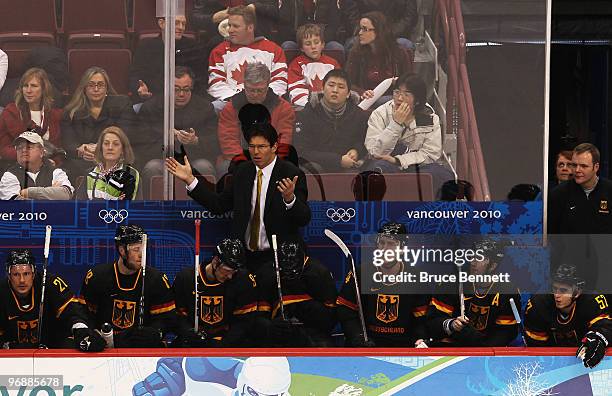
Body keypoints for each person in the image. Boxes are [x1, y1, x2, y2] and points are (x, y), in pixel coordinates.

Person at [167, 122, 310, 309]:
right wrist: (191, 180)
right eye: (252, 147)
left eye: (261, 147)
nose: (256, 152)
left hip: (275, 260)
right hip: (244, 259)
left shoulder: (291, 173)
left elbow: (304, 218)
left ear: (274, 147)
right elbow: (219, 205)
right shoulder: (243, 172)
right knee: (243, 312)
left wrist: (290, 199)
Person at [79, 224, 176, 347]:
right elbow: (84, 313)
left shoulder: (157, 279)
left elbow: (167, 318)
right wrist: (91, 333)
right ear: (122, 251)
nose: (142, 255)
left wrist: (156, 332)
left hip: (141, 348)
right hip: (104, 346)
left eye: (144, 249)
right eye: (136, 250)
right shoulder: (96, 276)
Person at [337, 222, 430, 347]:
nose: (385, 249)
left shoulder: (417, 277)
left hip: (403, 347)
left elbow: (421, 319)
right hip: (367, 344)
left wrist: (420, 339)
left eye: (391, 244)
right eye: (382, 243)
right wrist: (357, 337)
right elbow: (345, 311)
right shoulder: (360, 272)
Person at [364, 73, 452, 196]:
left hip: (415, 165)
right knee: (377, 170)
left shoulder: (429, 118)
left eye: (406, 94)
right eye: (397, 92)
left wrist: (399, 160)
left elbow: (431, 154)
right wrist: (396, 124)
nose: (399, 98)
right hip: (384, 163)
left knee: (442, 175)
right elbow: (375, 152)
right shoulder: (380, 114)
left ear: (417, 100)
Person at [135, 66, 218, 197]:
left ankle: (202, 213)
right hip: (161, 159)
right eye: (176, 89)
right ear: (167, 87)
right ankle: (153, 212)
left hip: (193, 159)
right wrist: (166, 138)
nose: (181, 94)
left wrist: (195, 141)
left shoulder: (204, 108)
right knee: (151, 167)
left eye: (186, 89)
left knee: (204, 167)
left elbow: (215, 144)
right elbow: (141, 146)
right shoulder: (150, 108)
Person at [0, 249, 105, 352]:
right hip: (12, 351)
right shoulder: (2, 291)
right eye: (16, 274)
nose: (22, 280)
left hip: (52, 346)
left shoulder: (51, 283)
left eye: (26, 274)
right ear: (8, 275)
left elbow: (72, 311)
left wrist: (80, 330)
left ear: (34, 273)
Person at [426, 239, 521, 347]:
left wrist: (479, 345)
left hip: (486, 351)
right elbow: (433, 322)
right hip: (453, 346)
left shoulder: (507, 291)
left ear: (493, 266)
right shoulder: (452, 283)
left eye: (480, 258)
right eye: (473, 257)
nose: (473, 262)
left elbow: (505, 333)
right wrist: (452, 325)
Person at [173, 238, 258, 347]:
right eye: (227, 271)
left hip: (229, 341)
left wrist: (223, 344)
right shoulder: (186, 278)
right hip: (193, 342)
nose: (230, 276)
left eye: (234, 272)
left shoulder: (243, 279)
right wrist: (188, 333)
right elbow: (176, 316)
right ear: (215, 261)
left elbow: (245, 322)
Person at [524, 263, 611, 368]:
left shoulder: (592, 301)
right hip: (551, 364)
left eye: (563, 290)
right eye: (555, 288)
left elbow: (605, 326)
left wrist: (598, 338)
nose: (557, 295)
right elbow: (536, 347)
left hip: (583, 362)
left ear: (577, 292)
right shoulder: (539, 303)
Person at [217, 62, 295, 175]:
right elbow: (228, 141)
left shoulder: (283, 108)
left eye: (260, 90)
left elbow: (283, 141)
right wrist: (246, 164)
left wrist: (268, 162)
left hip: (272, 159)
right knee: (226, 168)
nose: (254, 94)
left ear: (268, 85)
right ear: (244, 84)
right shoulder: (231, 108)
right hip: (239, 159)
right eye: (250, 90)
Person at [257, 241, 337, 347]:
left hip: (313, 331)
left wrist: (309, 310)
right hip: (278, 333)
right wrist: (270, 326)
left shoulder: (320, 273)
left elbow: (332, 318)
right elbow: (256, 318)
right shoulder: (265, 274)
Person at [207, 5, 287, 108]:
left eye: (235, 26)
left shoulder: (274, 50)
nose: (230, 30)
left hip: (266, 104)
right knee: (214, 107)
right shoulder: (219, 51)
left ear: (250, 27)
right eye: (229, 25)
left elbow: (279, 82)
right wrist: (238, 101)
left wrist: (261, 100)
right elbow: (216, 84)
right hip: (231, 104)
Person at [61, 67, 133, 180]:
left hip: (115, 158)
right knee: (69, 168)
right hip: (83, 161)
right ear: (84, 88)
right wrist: (80, 150)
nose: (96, 89)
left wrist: (100, 148)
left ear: (107, 88)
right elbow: (68, 142)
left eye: (100, 85)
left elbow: (127, 134)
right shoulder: (71, 112)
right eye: (91, 85)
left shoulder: (122, 104)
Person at [294, 69, 369, 172]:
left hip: (349, 166)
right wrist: (337, 160)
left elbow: (365, 142)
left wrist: (356, 151)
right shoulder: (307, 114)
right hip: (318, 165)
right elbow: (301, 151)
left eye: (341, 87)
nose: (335, 90)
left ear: (348, 94)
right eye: (331, 85)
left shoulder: (358, 115)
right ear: (322, 88)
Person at [129, 4, 198, 103]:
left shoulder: (192, 47)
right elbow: (135, 75)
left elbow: (199, 79)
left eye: (183, 24)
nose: (181, 27)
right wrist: (139, 89)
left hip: (185, 102)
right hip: (152, 101)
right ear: (161, 23)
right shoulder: (146, 46)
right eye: (176, 23)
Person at [345, 12, 413, 104]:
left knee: (382, 101)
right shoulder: (356, 53)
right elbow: (348, 82)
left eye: (365, 29)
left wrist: (397, 84)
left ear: (378, 31)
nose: (360, 33)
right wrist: (362, 92)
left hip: (394, 101)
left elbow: (409, 82)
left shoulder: (399, 53)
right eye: (360, 29)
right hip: (366, 101)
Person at [0, 67, 63, 161]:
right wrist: (30, 158)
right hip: (17, 165)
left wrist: (54, 162)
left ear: (44, 89)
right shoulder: (11, 112)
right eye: (25, 86)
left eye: (34, 86)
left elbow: (58, 149)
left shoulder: (53, 114)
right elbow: (4, 149)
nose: (28, 90)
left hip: (48, 166)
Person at [548, 143, 612, 234]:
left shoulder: (609, 190)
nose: (577, 170)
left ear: (596, 167)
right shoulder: (558, 194)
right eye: (574, 165)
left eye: (583, 166)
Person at [0, 130, 73, 200]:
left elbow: (65, 194)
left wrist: (28, 192)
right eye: (19, 148)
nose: (23, 150)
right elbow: (15, 204)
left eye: (29, 147)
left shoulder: (56, 172)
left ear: (41, 152)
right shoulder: (9, 175)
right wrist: (50, 194)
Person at [76, 126, 140, 200]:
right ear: (101, 147)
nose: (110, 147)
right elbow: (79, 206)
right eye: (106, 143)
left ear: (122, 150)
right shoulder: (90, 174)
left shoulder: (130, 174)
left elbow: (126, 207)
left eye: (115, 144)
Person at [287, 24, 341, 108]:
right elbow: (296, 92)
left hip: (331, 107)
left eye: (316, 42)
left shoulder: (333, 63)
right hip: (307, 108)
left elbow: (339, 87)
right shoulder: (296, 64)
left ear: (322, 44)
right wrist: (314, 105)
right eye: (308, 44)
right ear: (301, 48)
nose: (313, 47)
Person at [342, 0, 418, 49]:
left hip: (394, 34)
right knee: (352, 44)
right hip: (363, 33)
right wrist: (369, 33)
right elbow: (351, 18)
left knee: (405, 45)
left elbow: (409, 18)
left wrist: (388, 33)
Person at [278, 1, 344, 51]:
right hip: (298, 40)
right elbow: (285, 25)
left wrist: (318, 41)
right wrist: (303, 40)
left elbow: (334, 25)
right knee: (287, 46)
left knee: (336, 47)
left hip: (323, 40)